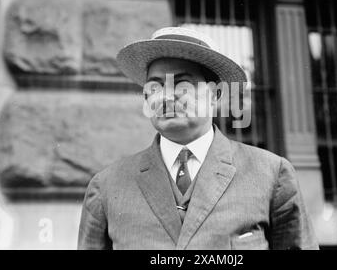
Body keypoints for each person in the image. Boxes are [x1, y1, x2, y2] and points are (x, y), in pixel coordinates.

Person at [77, 27, 318, 250]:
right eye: (155, 87)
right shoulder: (107, 186)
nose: (165, 97)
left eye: (182, 84)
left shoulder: (271, 174)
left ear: (216, 94)